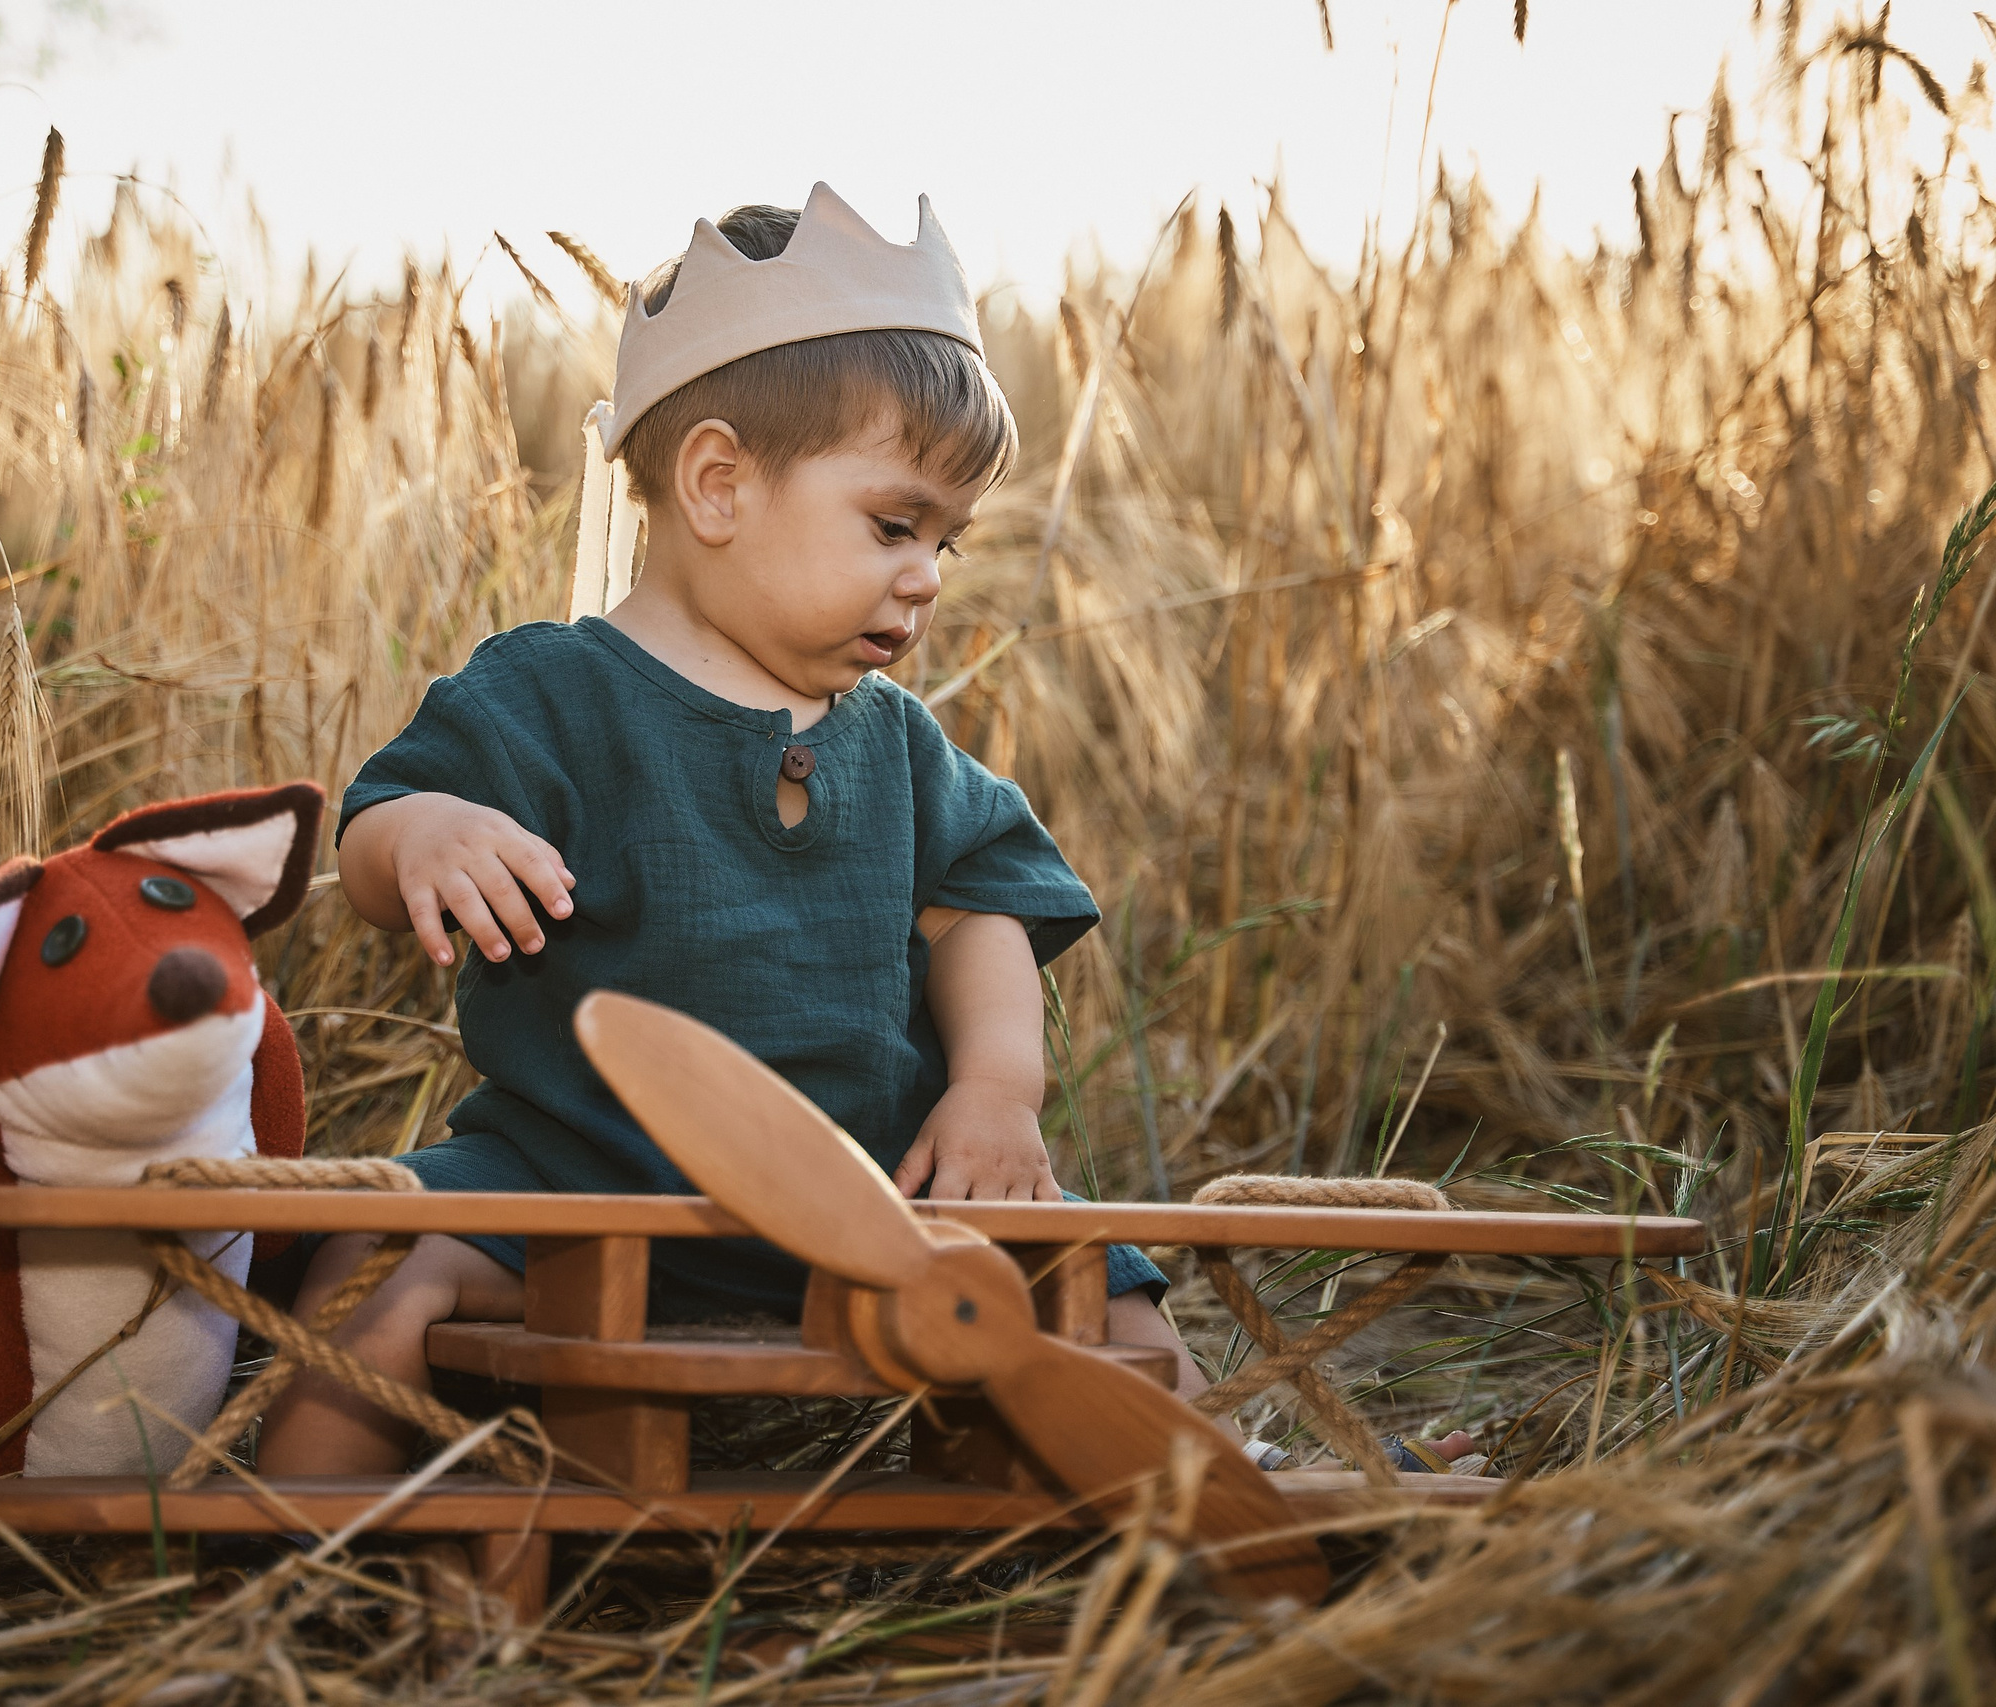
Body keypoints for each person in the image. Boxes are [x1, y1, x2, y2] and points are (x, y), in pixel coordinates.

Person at [255, 185, 1417, 1477]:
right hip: (577, 1178)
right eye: (894, 525)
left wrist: (994, 1091)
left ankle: (1249, 1479)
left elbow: (982, 911)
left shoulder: (897, 741)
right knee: (384, 1261)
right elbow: (373, 836)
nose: (926, 575)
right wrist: (425, 836)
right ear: (717, 485)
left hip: (879, 1190)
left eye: (948, 544)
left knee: (1099, 1283)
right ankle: (295, 1532)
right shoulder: (553, 692)